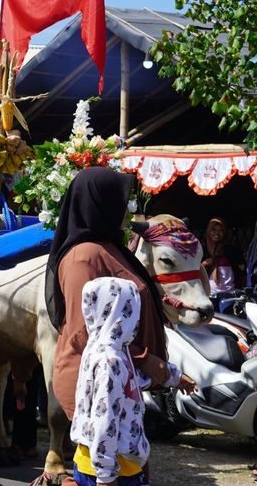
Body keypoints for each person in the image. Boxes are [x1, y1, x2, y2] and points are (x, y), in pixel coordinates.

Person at [46, 168, 195, 427]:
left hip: (120, 382)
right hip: (96, 387)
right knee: (107, 467)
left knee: (131, 464)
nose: (127, 211)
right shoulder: (84, 257)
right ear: (100, 204)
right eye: (122, 203)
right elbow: (85, 332)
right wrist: (152, 364)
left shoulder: (110, 248)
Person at [70, 277, 190, 486]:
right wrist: (106, 477)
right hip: (114, 468)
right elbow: (104, 418)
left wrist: (174, 377)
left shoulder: (104, 349)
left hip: (102, 463)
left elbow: (130, 383)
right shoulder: (110, 361)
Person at [203, 217, 246, 296]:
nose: (217, 233)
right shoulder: (203, 250)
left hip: (230, 294)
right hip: (209, 294)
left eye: (221, 230)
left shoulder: (231, 250)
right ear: (208, 231)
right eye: (214, 230)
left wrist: (217, 260)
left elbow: (242, 267)